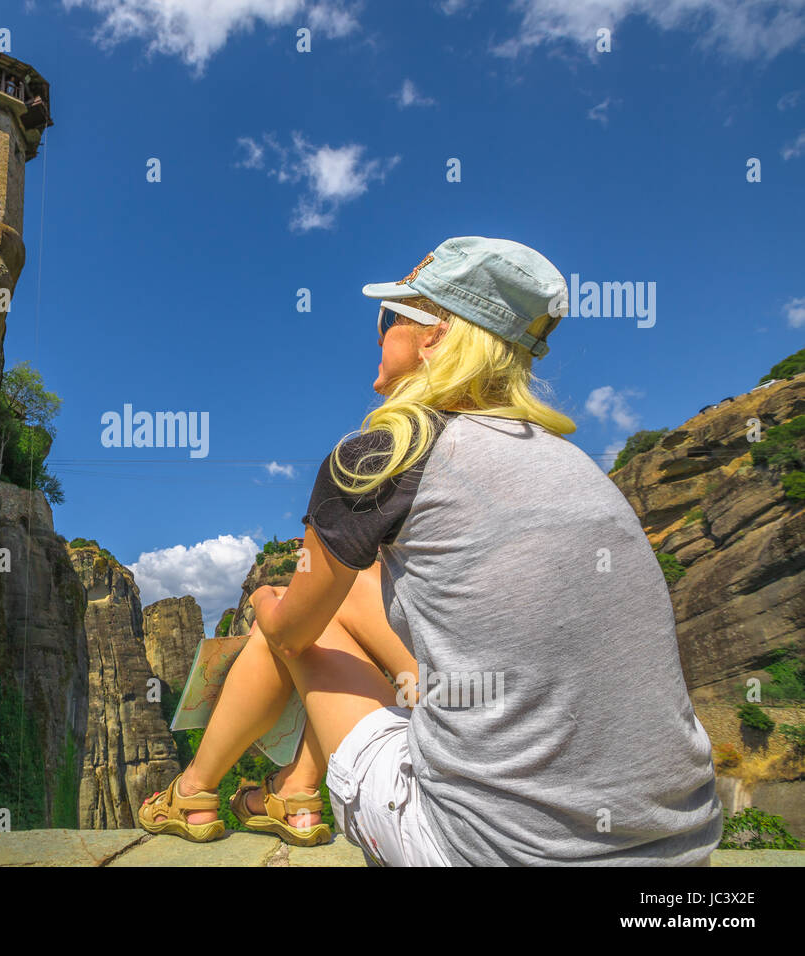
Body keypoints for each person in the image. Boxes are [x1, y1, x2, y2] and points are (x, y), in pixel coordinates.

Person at [138, 236, 723, 865]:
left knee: (288, 610)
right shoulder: (576, 466)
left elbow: (288, 636)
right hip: (681, 850)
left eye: (391, 316)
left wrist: (263, 598)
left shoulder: (385, 453)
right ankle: (295, 791)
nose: (380, 331)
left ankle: (193, 791)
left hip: (487, 850)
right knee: (358, 591)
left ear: (435, 335)